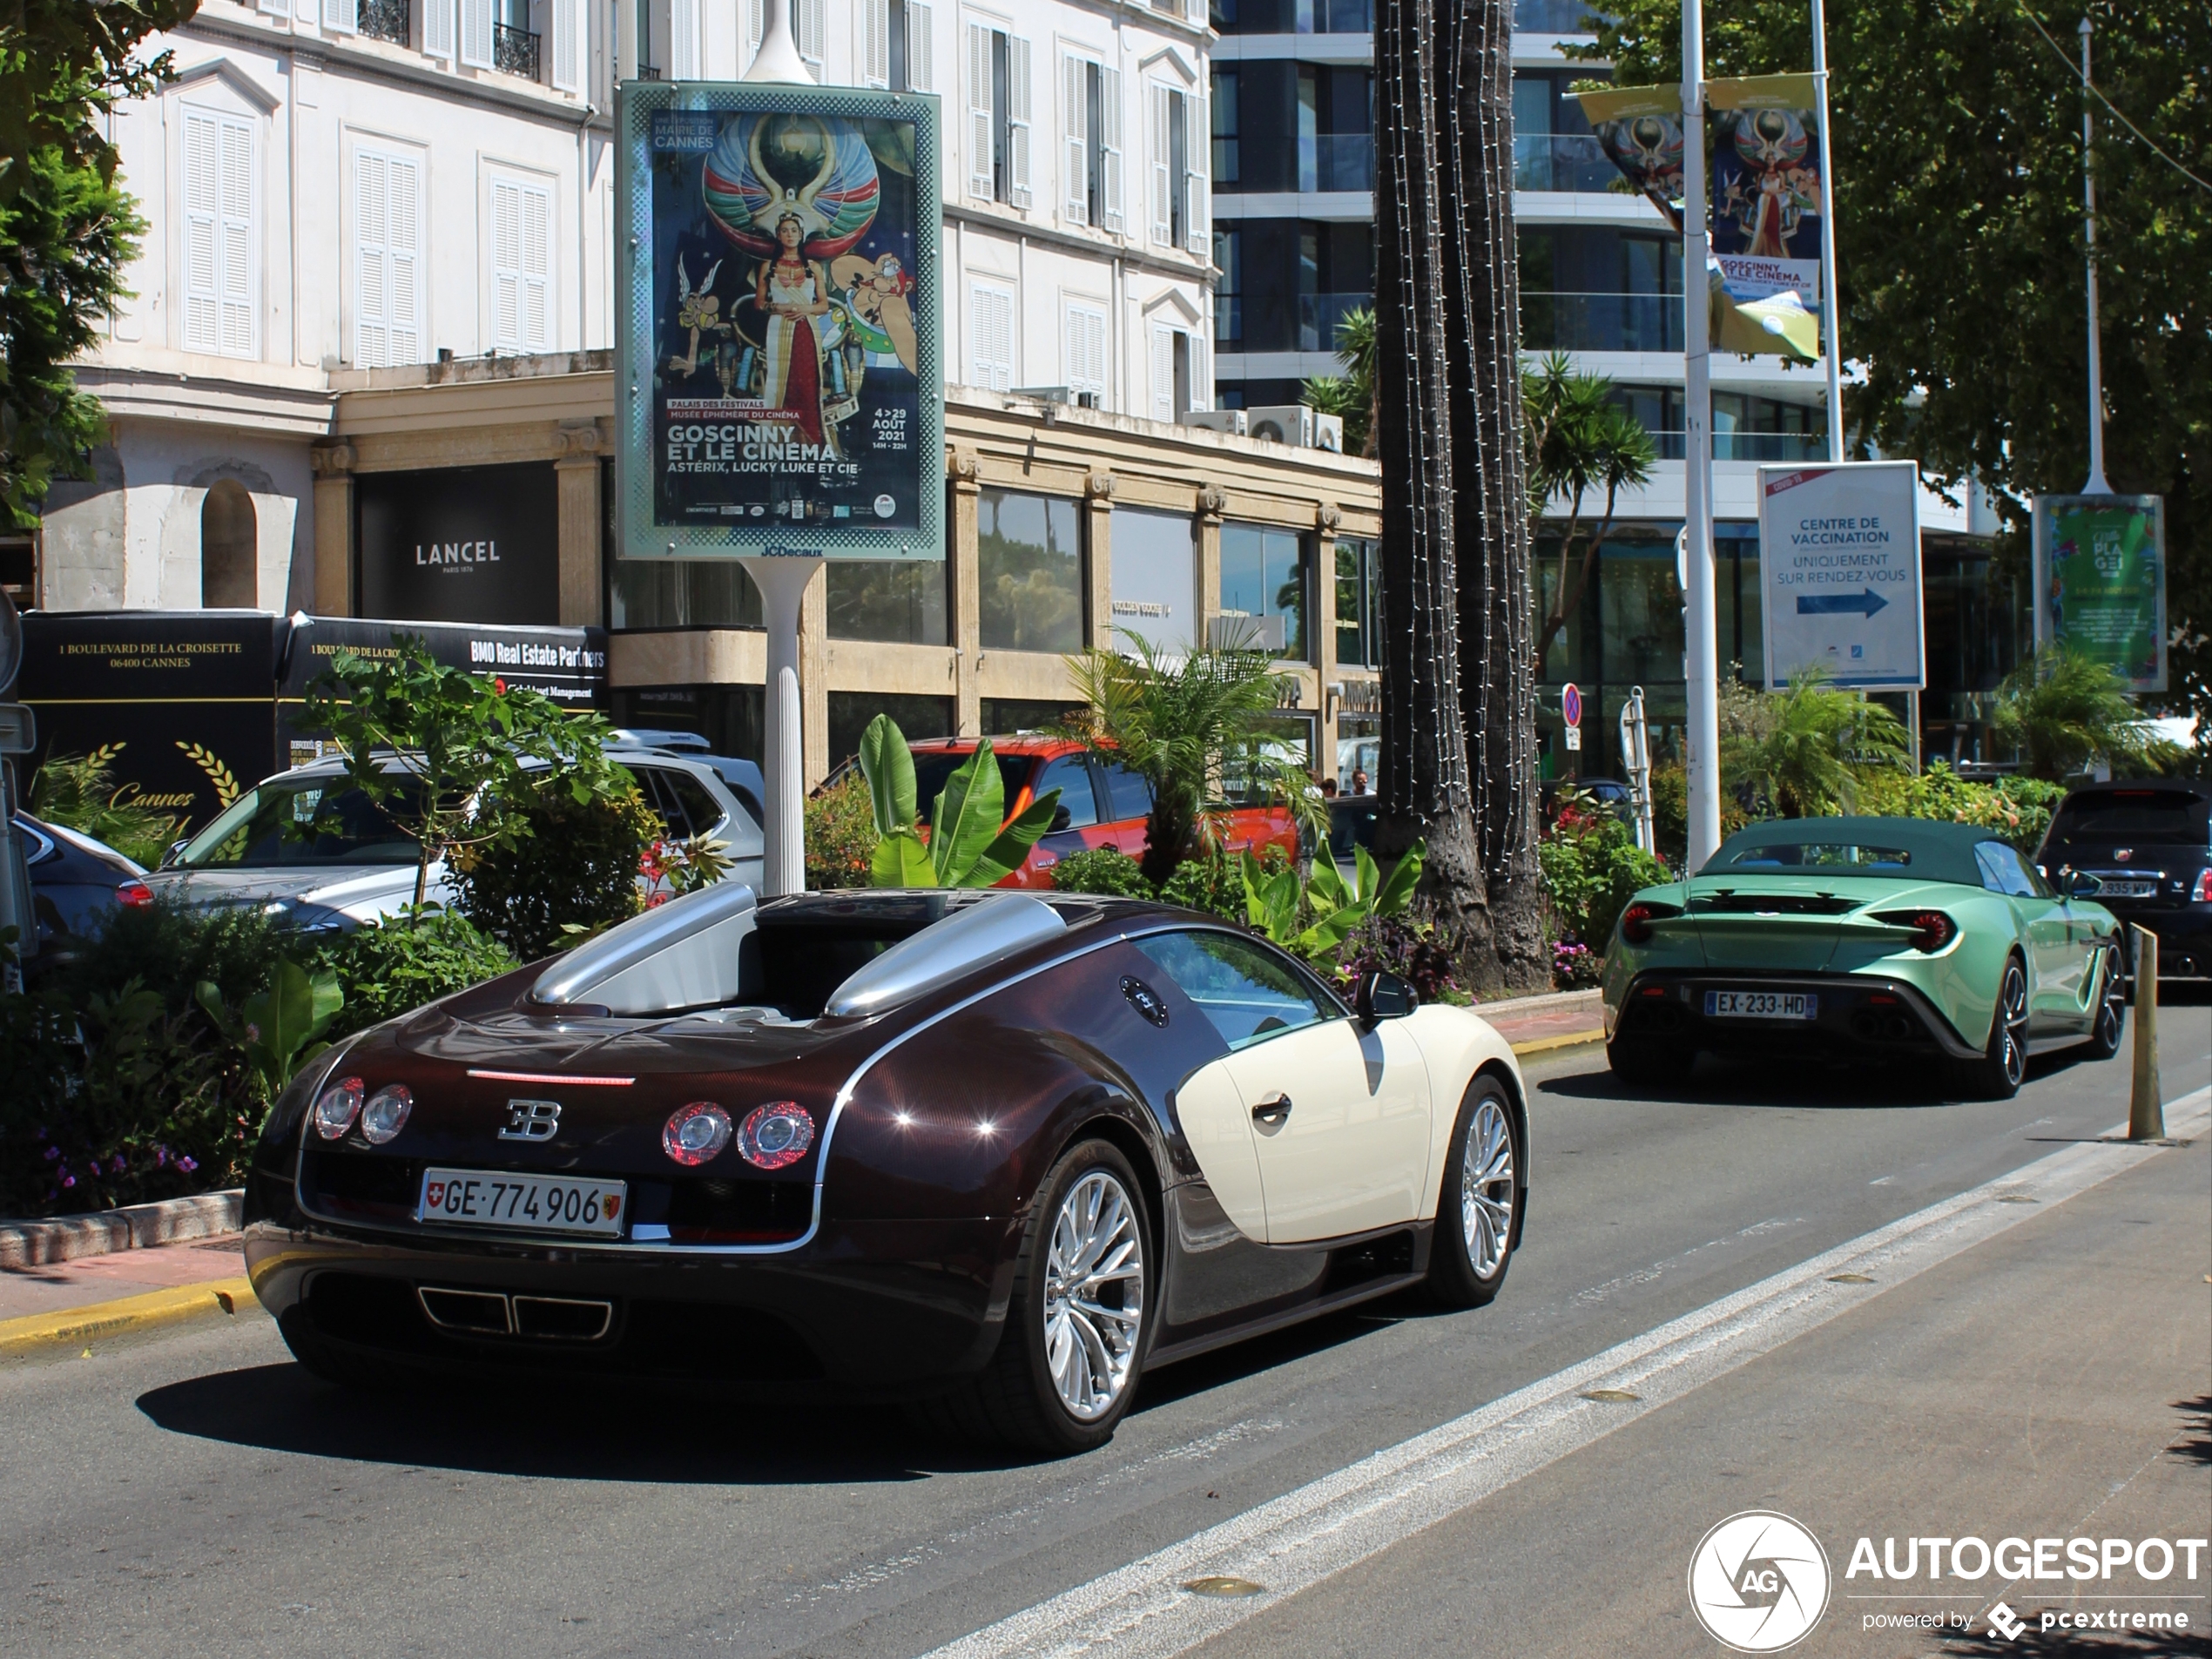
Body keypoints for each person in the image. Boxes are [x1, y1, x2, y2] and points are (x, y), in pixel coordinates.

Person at [756, 212, 834, 449]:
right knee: (781, 381)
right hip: (779, 328)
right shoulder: (768, 267)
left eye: (794, 231)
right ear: (778, 236)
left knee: (806, 382)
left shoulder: (813, 268)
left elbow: (824, 305)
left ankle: (810, 439)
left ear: (801, 235)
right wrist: (777, 306)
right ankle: (778, 440)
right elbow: (759, 303)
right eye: (785, 231)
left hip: (806, 330)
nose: (789, 235)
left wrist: (804, 308)